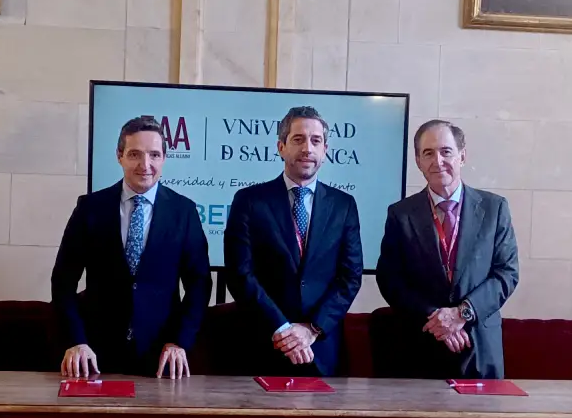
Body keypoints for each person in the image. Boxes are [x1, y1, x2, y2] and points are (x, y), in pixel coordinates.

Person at [51, 116, 211, 378]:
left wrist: (179, 341)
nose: (145, 165)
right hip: (93, 355)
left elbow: (199, 283)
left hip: (162, 357)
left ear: (164, 159)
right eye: (135, 154)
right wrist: (75, 340)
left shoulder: (184, 212)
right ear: (119, 156)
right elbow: (62, 281)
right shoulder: (90, 209)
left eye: (154, 155)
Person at [224, 106, 363, 376]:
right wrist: (283, 330)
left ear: (325, 150)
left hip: (321, 347)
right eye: (298, 139)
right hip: (263, 345)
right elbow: (240, 273)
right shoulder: (250, 201)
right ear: (281, 146)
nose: (307, 148)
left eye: (316, 140)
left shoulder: (343, 205)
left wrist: (312, 329)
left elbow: (350, 277)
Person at [376, 120, 519, 379]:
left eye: (446, 151)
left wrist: (462, 313)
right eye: (428, 153)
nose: (438, 161)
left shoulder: (494, 209)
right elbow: (390, 280)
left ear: (462, 156)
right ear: (418, 161)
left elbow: (506, 273)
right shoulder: (400, 214)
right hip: (419, 346)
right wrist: (436, 318)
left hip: (478, 346)